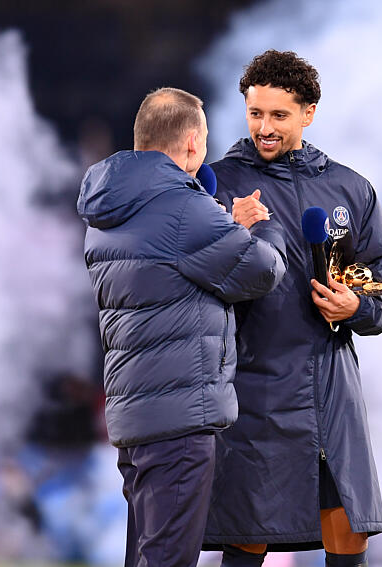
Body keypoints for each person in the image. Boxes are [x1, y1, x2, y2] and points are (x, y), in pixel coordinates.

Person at [203, 51, 382, 566]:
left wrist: (356, 305)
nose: (264, 127)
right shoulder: (215, 185)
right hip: (252, 390)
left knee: (346, 537)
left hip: (329, 391)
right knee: (247, 537)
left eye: (278, 115)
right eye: (255, 114)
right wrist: (230, 230)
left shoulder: (350, 189)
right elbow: (188, 277)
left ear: (309, 112)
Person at [77, 87, 287, 567]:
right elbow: (262, 271)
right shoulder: (181, 209)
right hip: (179, 418)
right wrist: (259, 225)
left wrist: (218, 223)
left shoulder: (109, 209)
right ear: (193, 143)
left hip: (135, 416)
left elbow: (175, 261)